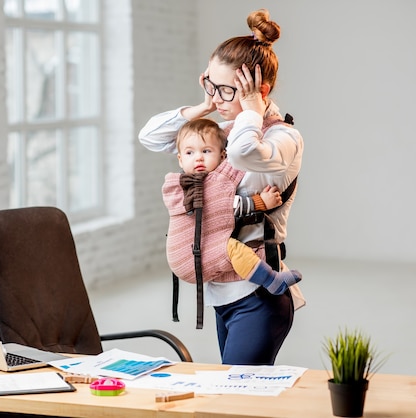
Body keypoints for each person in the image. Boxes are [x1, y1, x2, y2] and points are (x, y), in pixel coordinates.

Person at [139, 8, 303, 365]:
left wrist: (250, 109)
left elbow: (244, 152)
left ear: (259, 91)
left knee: (238, 394)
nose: (218, 99)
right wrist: (204, 105)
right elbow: (150, 136)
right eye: (210, 84)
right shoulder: (225, 131)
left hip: (257, 294)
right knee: (236, 397)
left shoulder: (282, 138)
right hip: (221, 294)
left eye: (226, 90)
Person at [163, 117, 301, 296]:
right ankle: (271, 281)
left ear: (222, 156)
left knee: (234, 249)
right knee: (234, 250)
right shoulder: (182, 185)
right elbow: (222, 206)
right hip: (185, 256)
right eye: (189, 153)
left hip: (194, 253)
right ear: (180, 160)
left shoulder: (207, 182)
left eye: (206, 151)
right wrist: (260, 202)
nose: (198, 158)